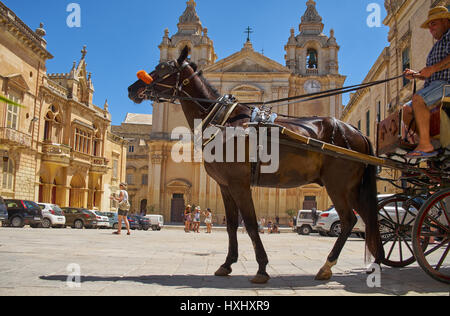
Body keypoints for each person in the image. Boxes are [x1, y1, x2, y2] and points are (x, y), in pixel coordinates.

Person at [403, 6, 450, 159]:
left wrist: (432, 69)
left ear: (445, 21)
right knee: (406, 110)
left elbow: (439, 68)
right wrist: (417, 75)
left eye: (433, 23)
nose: (430, 28)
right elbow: (432, 73)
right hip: (435, 85)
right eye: (429, 25)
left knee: (418, 98)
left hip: (446, 84)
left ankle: (425, 145)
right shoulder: (438, 44)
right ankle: (429, 141)